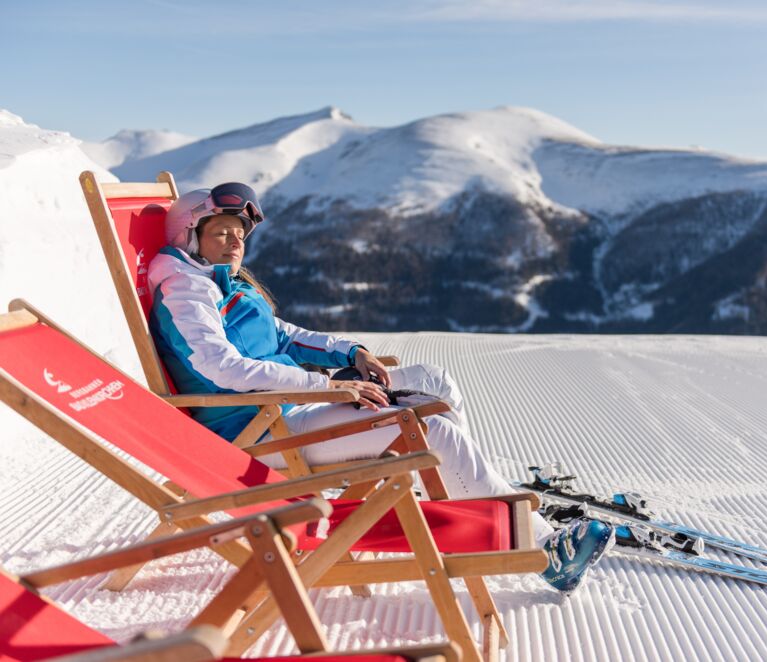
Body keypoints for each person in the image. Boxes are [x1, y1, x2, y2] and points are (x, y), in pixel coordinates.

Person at [147, 182, 614, 593]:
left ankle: (462, 492)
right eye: (221, 231)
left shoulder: (222, 281)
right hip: (258, 431)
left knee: (432, 380)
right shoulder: (186, 293)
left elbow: (283, 335)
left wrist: (351, 355)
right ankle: (545, 553)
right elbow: (221, 368)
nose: (235, 242)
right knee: (433, 433)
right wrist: (326, 386)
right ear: (190, 235)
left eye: (240, 233)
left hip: (291, 406)